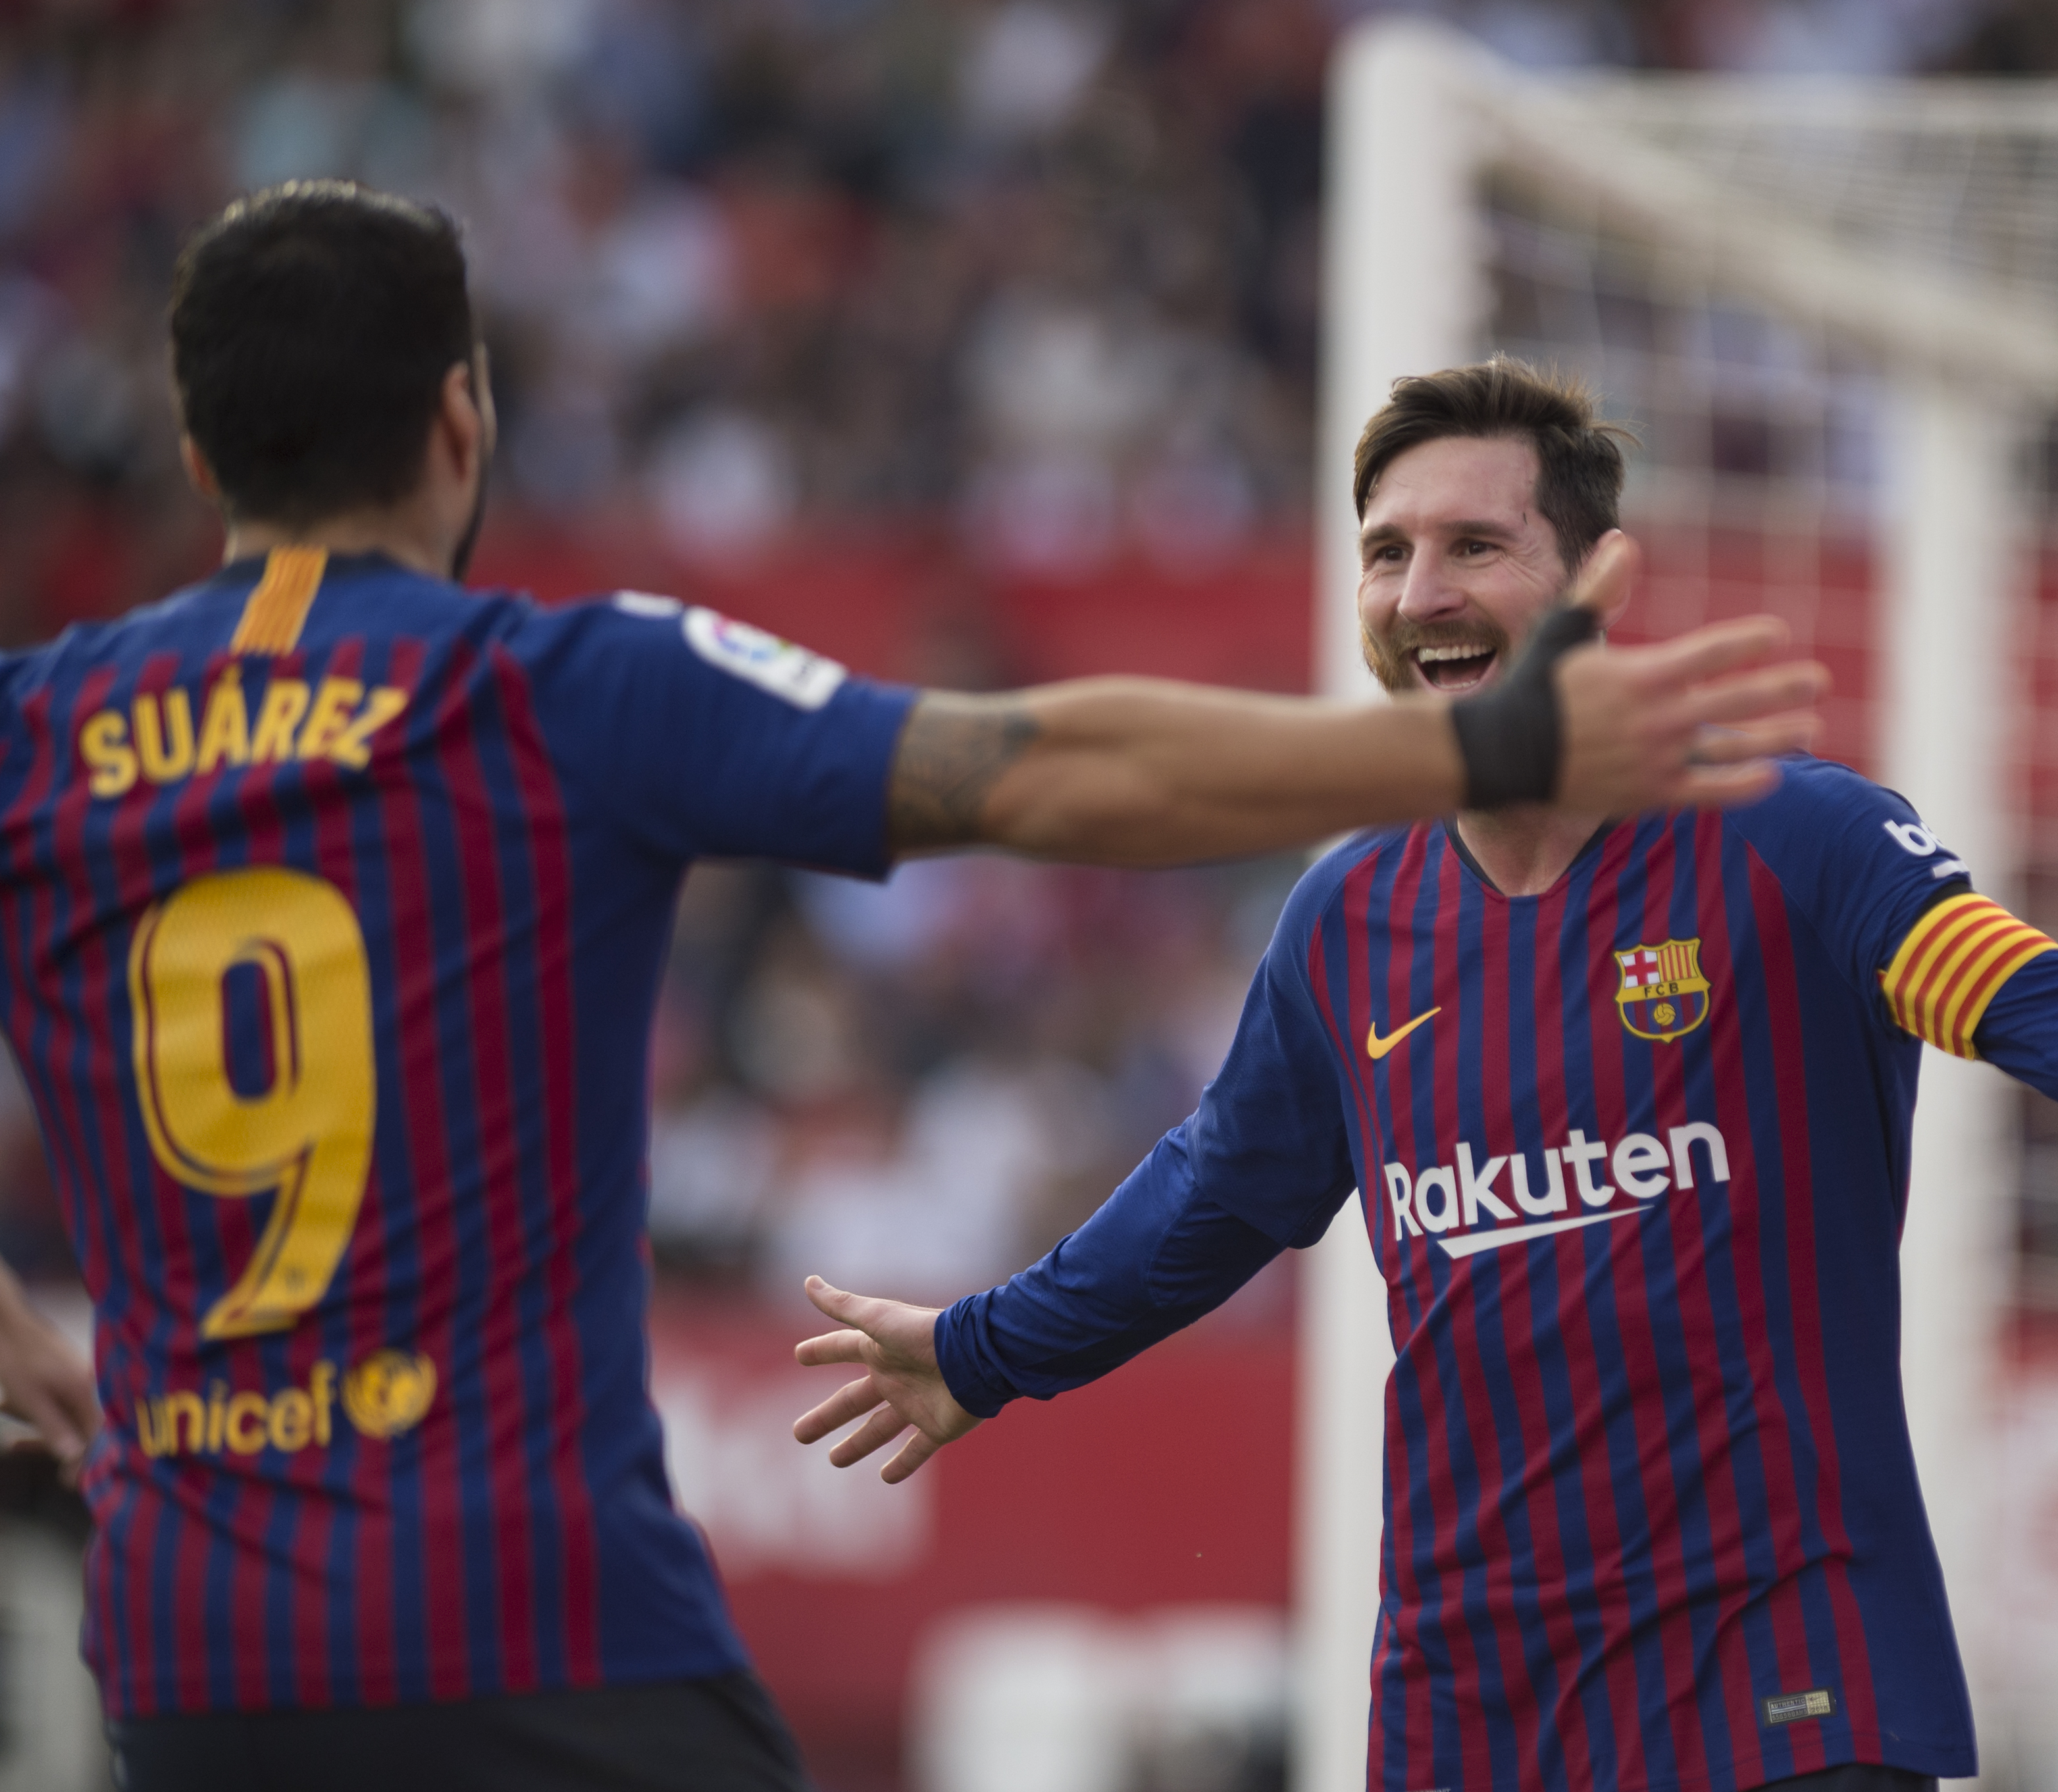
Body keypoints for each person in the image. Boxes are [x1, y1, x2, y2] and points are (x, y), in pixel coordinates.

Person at [0, 186, 1824, 1792]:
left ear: (191, 448)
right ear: (461, 419)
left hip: (191, 1650)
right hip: (527, 1625)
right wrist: (1477, 749)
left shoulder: (39, 730)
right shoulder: (564, 685)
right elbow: (1041, 768)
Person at [790, 358, 2058, 1792]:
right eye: (1383, 548)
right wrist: (979, 1349)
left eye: (1471, 545)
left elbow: (2048, 1006)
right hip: (1473, 1688)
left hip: (1780, 1662)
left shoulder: (1792, 841)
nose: (1416, 586)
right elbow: (1212, 1193)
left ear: (1593, 585)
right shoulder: (1345, 916)